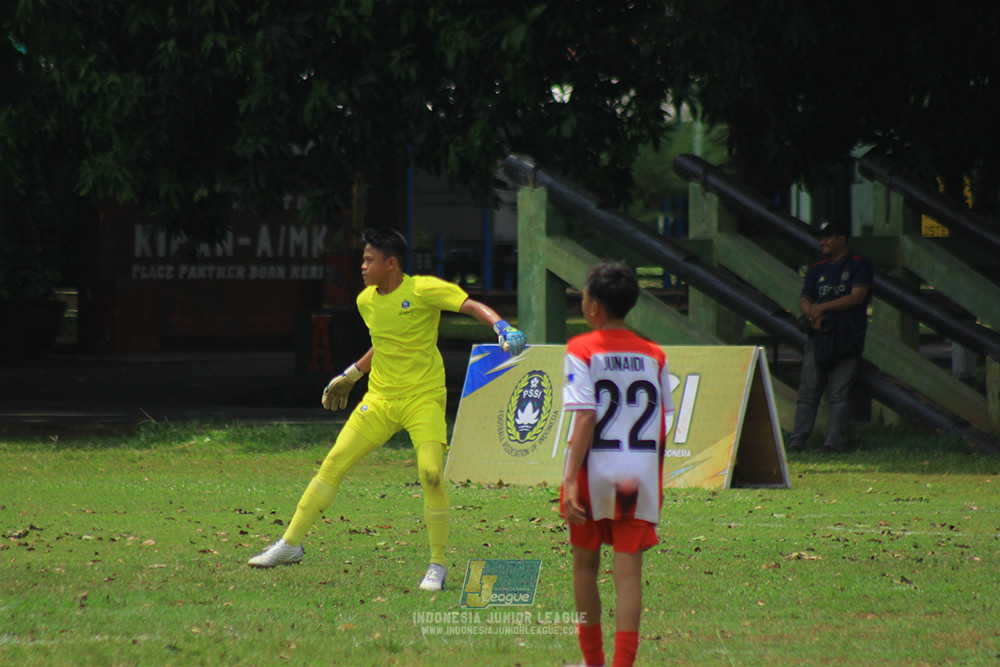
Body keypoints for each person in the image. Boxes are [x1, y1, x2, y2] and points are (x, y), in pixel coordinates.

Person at [248, 228, 526, 591]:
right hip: (379, 401)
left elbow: (470, 305)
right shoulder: (366, 301)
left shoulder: (423, 290)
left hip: (423, 399)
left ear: (390, 264)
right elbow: (385, 343)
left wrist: (501, 326)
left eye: (369, 260)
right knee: (333, 463)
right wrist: (350, 376)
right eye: (363, 259)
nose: (362, 266)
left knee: (430, 474)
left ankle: (437, 566)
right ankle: (290, 545)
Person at [561, 261, 674, 667]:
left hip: (594, 474)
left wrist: (570, 480)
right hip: (638, 477)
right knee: (628, 576)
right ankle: (623, 664)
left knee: (585, 567)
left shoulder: (581, 349)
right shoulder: (655, 355)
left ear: (593, 307)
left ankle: (593, 662)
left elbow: (586, 416)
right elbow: (666, 422)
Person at [788, 219, 873, 453]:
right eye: (821, 237)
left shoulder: (859, 265)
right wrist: (812, 312)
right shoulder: (817, 269)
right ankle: (797, 440)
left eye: (827, 237)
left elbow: (857, 297)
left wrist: (822, 308)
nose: (822, 242)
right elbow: (804, 298)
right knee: (807, 391)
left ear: (842, 239)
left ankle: (833, 443)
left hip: (848, 336)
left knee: (839, 393)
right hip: (819, 336)